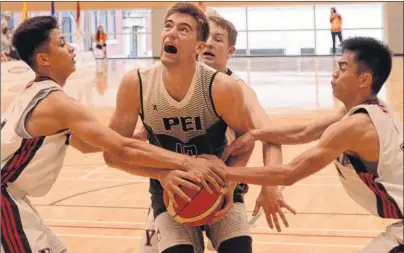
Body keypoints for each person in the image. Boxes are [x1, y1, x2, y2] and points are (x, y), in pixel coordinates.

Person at [1, 15, 225, 253]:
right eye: (63, 43)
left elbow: (88, 145)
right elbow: (121, 149)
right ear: (44, 59)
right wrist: (188, 162)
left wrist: (142, 135)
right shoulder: (58, 104)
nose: (72, 49)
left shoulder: (35, 94)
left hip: (13, 198)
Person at [223, 37, 403, 253]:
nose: (335, 73)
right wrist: (255, 134)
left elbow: (289, 174)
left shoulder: (355, 126)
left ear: (364, 80)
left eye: (343, 68)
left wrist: (224, 172)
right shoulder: (368, 110)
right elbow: (305, 132)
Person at [137, 14, 295, 253]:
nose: (209, 43)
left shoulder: (237, 88)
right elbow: (135, 140)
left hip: (221, 185)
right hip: (175, 189)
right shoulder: (166, 82)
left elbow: (270, 136)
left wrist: (269, 186)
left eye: (217, 39)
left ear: (230, 51)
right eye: (206, 37)